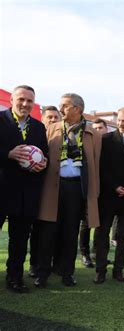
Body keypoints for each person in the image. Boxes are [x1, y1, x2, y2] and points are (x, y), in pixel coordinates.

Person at [35, 93, 102, 288]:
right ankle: (42, 273)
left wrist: (94, 192)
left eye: (65, 106)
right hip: (53, 187)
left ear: (78, 109)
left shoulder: (93, 134)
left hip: (76, 188)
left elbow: (96, 165)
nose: (60, 109)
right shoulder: (52, 129)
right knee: (47, 232)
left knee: (70, 233)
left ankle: (67, 273)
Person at [0, 85, 48, 293]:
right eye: (21, 99)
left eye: (30, 101)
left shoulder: (39, 127)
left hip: (27, 192)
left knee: (20, 239)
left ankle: (14, 278)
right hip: (2, 189)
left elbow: (45, 155)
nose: (25, 104)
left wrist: (42, 163)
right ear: (11, 100)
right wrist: (8, 154)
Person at [94, 107, 124, 284]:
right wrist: (115, 187)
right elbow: (101, 168)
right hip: (108, 196)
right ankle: (100, 271)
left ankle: (118, 271)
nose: (121, 123)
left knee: (122, 236)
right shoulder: (105, 139)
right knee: (102, 233)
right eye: (119, 120)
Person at [28, 105, 62, 278]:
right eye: (50, 117)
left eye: (56, 117)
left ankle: (52, 265)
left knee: (53, 231)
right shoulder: (35, 134)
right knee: (36, 230)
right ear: (42, 119)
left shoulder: (60, 138)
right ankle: (34, 263)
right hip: (35, 191)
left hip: (55, 193)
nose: (53, 120)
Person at [79, 118, 109, 269]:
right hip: (90, 189)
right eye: (95, 128)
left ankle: (97, 254)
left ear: (106, 130)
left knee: (102, 225)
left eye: (100, 128)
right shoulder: (87, 144)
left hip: (106, 191)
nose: (97, 131)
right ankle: (84, 254)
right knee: (86, 223)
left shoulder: (110, 145)